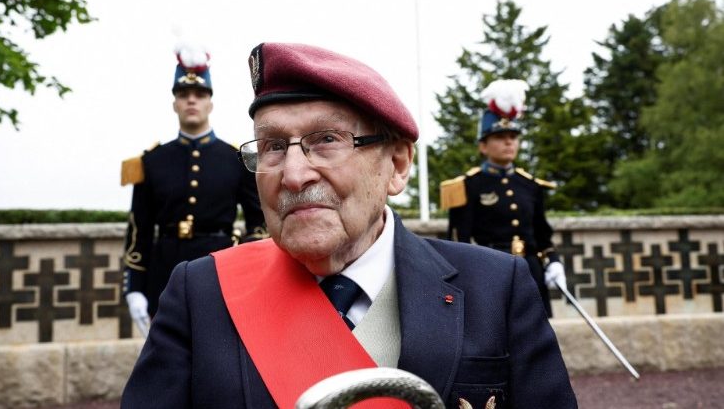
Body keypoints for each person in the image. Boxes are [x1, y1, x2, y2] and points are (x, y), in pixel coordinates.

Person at [121, 43, 577, 408]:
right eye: (273, 146)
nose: (294, 174)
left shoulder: (498, 288)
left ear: (397, 165)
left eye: (327, 140)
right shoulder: (199, 295)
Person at [120, 44, 267, 323]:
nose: (191, 101)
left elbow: (259, 224)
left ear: (210, 103)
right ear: (174, 103)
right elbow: (138, 230)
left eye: (199, 95)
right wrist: (134, 288)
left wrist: (245, 265)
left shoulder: (236, 159)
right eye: (184, 95)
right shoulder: (150, 162)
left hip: (222, 272)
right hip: (163, 276)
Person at [440, 79, 567, 318]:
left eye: (513, 136)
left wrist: (554, 261)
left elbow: (542, 234)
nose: (509, 142)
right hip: (490, 274)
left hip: (530, 273)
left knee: (537, 345)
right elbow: (459, 243)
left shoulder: (530, 185)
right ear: (483, 146)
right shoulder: (467, 186)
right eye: (500, 137)